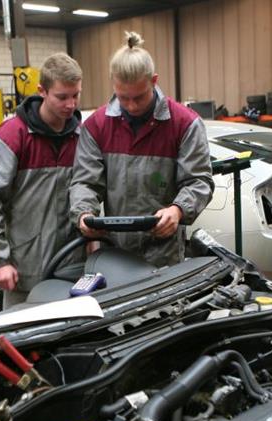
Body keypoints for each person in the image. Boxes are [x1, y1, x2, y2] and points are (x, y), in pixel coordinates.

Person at [70, 31, 213, 268]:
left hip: (164, 253)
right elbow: (85, 182)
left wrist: (177, 210)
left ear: (154, 80)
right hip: (113, 253)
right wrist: (84, 214)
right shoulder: (96, 126)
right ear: (113, 83)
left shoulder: (184, 124)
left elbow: (199, 181)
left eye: (139, 96)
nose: (132, 105)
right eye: (123, 97)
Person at [0, 53, 84, 309]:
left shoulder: (81, 136)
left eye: (76, 95)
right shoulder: (15, 135)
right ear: (42, 91)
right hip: (25, 272)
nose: (70, 104)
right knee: (23, 342)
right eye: (62, 97)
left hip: (71, 267)